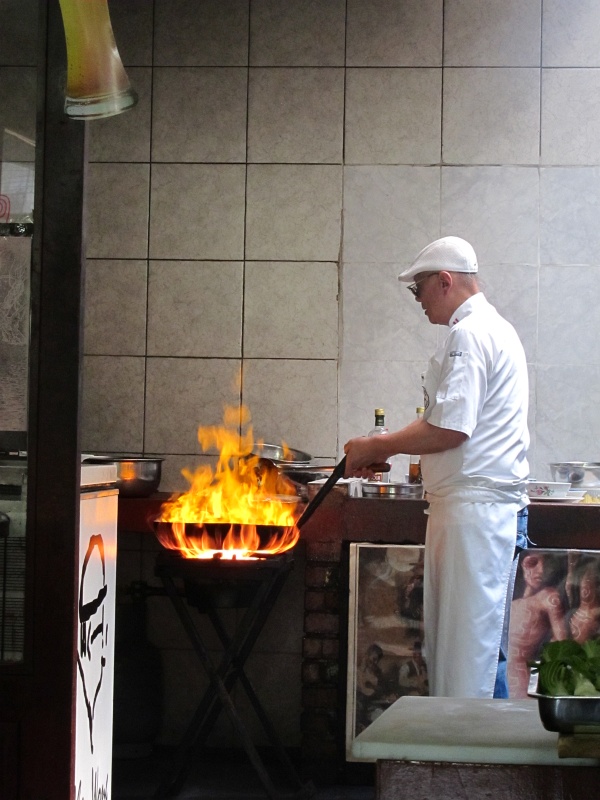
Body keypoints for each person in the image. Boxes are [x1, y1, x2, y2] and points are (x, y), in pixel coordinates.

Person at [343, 236, 530, 698]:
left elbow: (451, 430)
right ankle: (466, 763)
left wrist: (373, 445)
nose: (418, 301)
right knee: (466, 652)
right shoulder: (488, 329)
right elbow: (439, 420)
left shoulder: (471, 333)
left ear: (445, 281)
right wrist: (381, 449)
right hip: (468, 512)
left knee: (475, 660)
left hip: (480, 516)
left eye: (419, 289)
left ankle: (479, 766)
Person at [507, 552, 569, 698]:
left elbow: (562, 642)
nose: (541, 570)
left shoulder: (547, 597)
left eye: (547, 564)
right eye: (533, 563)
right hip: (500, 674)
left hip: (521, 675)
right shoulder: (514, 600)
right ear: (522, 564)